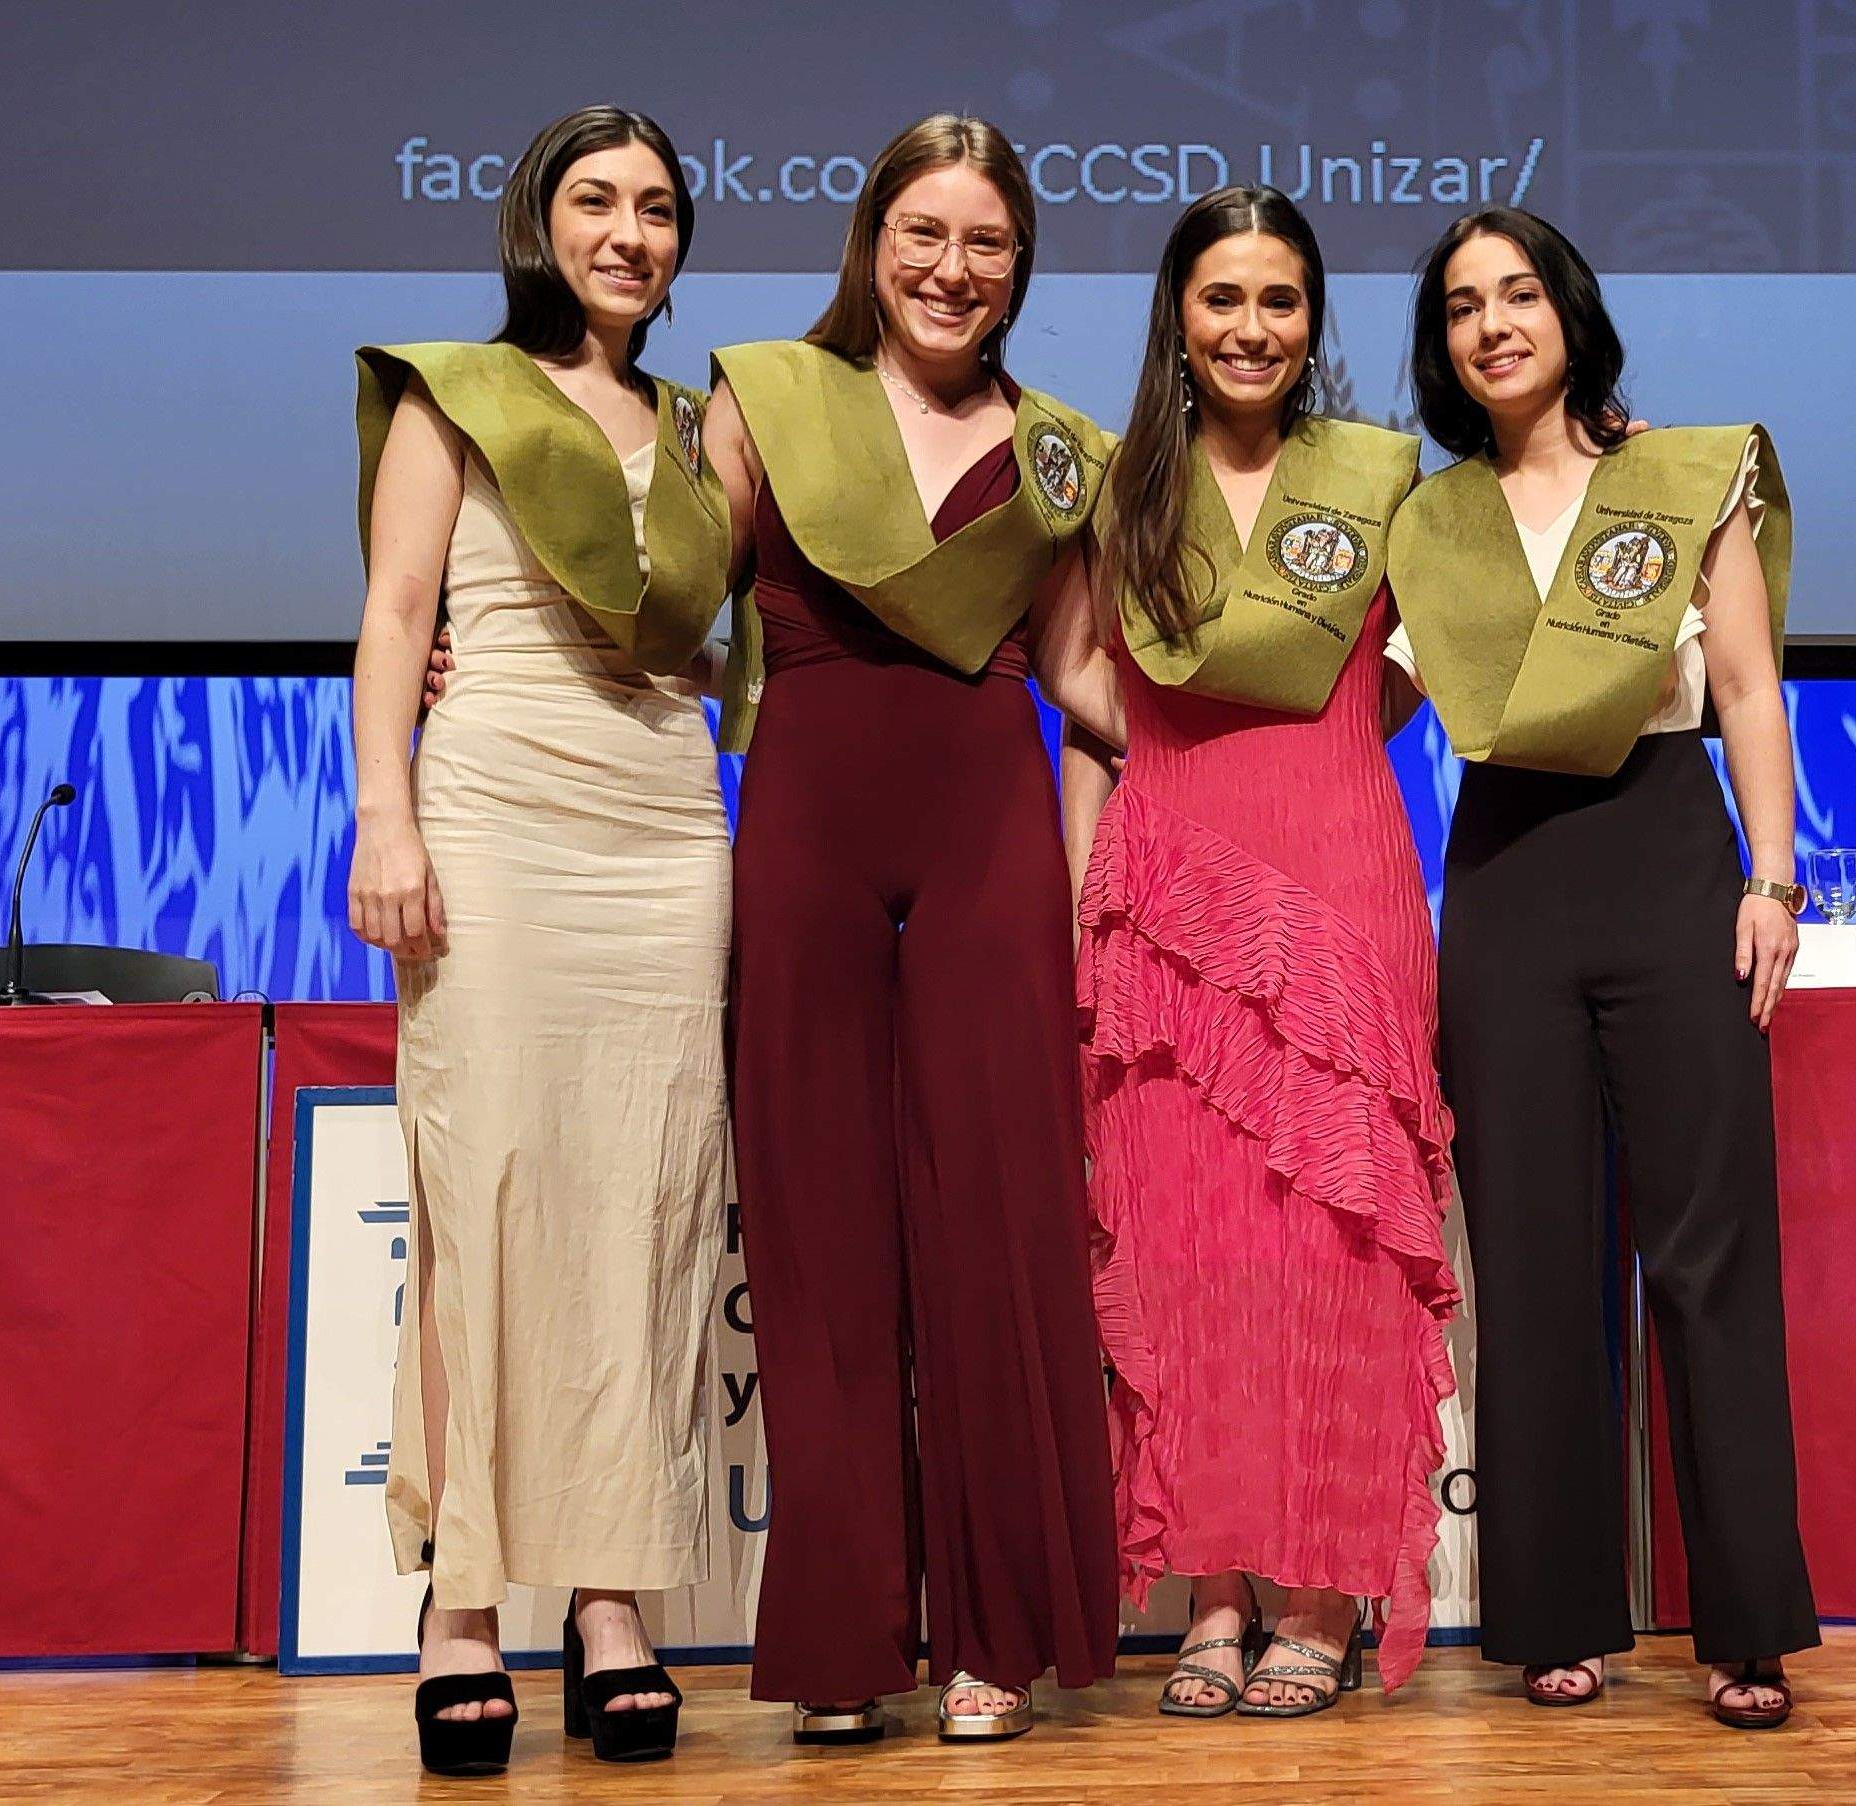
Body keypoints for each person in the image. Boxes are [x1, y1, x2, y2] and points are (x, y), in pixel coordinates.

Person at [696, 113, 1122, 1746]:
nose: (954, 268)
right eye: (924, 233)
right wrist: (494, 648)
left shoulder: (1062, 451)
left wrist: (1279, 728)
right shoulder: (765, 399)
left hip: (985, 839)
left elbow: (1079, 672)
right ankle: (840, 1638)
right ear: (872, 241)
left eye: (987, 242)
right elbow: (672, 615)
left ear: (1021, 264)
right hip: (805, 830)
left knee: (999, 1226)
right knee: (818, 1233)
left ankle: (993, 1636)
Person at [1383, 206, 1818, 1729]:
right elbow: (1366, 701)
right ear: (1440, 346)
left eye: (1517, 294)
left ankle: (1745, 1625)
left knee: (1706, 1253)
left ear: (1569, 310)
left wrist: (1771, 877)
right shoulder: (1427, 520)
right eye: (1460, 307)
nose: (1491, 324)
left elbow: (1748, 687)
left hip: (1669, 853)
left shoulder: (1686, 478)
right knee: (1534, 1260)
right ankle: (1556, 1615)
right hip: (1506, 874)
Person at [342, 104, 732, 1773]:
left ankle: (611, 1599)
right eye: (596, 201)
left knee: (649, 1200)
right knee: (484, 1193)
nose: (628, 234)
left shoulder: (709, 426)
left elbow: (716, 645)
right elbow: (396, 615)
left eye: (656, 208)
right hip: (495, 806)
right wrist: (385, 813)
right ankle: (462, 1604)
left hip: (666, 825)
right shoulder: (458, 392)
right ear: (538, 222)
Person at [1058, 185, 1454, 1719]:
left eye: (1278, 299)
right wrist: (1133, 836)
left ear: (1310, 320)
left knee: (1327, 1253)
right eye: (1220, 297)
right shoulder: (1115, 489)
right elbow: (1080, 685)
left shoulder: (1377, 480)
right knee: (1187, 1249)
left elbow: (1424, 665)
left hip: (1339, 890)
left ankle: (1320, 1592)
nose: (1249, 327)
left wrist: (1318, 745)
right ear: (1177, 315)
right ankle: (1211, 1588)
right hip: (1167, 908)